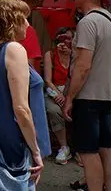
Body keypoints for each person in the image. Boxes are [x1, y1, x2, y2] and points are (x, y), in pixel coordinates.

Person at [0, 0, 50, 189]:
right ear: (11, 22)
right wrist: (36, 150)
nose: (28, 25)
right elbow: (21, 108)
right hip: (12, 142)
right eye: (23, 18)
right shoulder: (13, 50)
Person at [63, 0, 111, 191]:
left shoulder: (88, 22)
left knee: (88, 151)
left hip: (89, 95)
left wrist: (69, 97)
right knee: (106, 145)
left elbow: (83, 66)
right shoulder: (110, 18)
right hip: (108, 92)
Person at [44, 27, 74, 165]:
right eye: (61, 38)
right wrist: (58, 94)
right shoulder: (50, 55)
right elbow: (48, 80)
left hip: (72, 91)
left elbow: (78, 76)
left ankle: (80, 148)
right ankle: (64, 147)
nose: (64, 42)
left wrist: (71, 55)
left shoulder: (76, 55)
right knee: (53, 110)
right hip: (54, 90)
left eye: (68, 39)